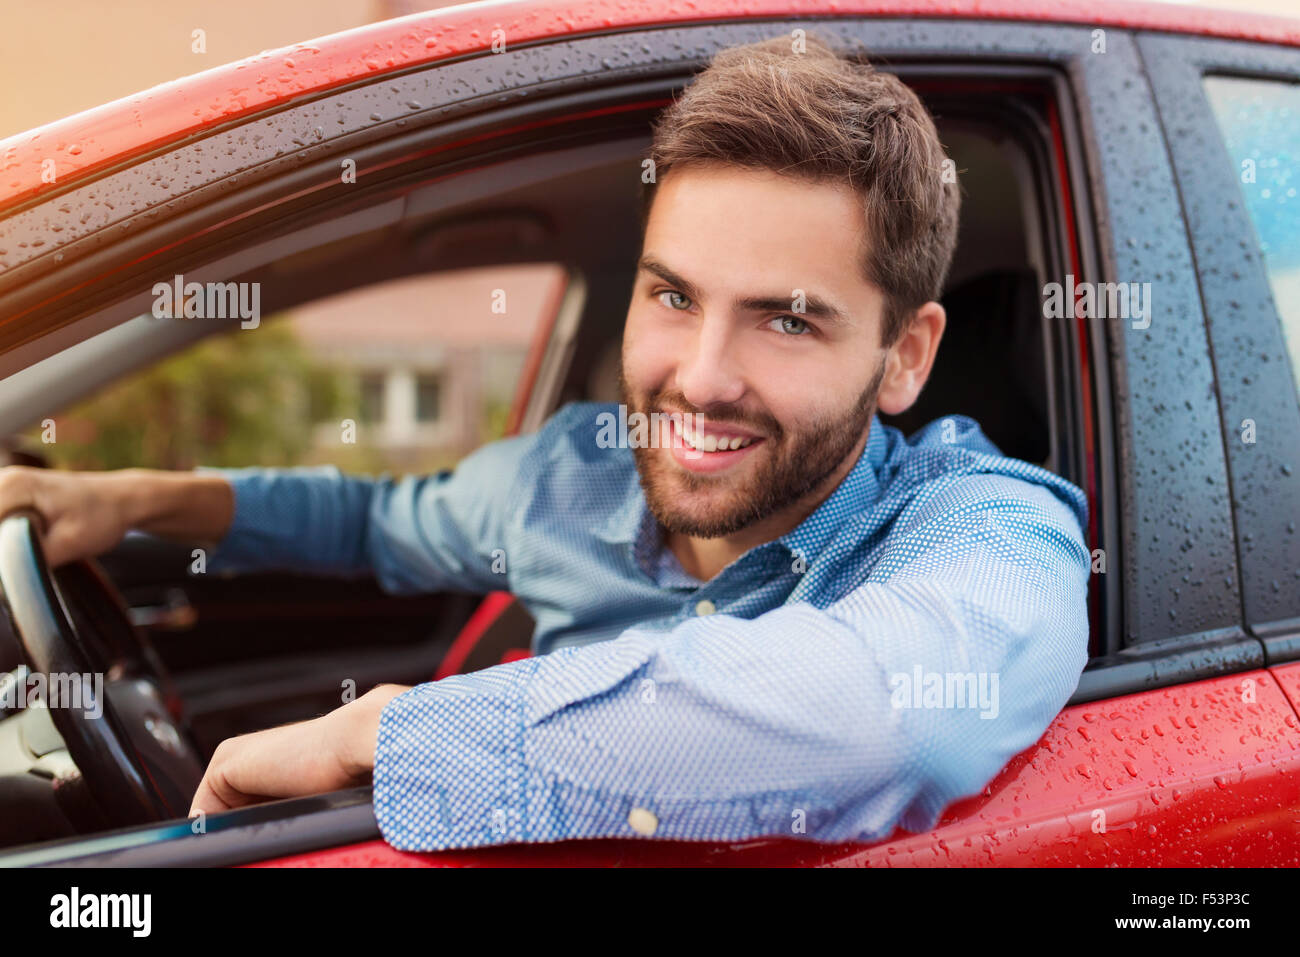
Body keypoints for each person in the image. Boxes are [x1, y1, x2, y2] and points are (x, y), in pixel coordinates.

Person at [0, 32, 1089, 850]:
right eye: (672, 296)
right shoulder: (571, 476)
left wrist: (387, 735)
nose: (699, 379)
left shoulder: (988, 526)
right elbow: (371, 519)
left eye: (788, 318)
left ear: (904, 355)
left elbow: (888, 720)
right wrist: (130, 499)